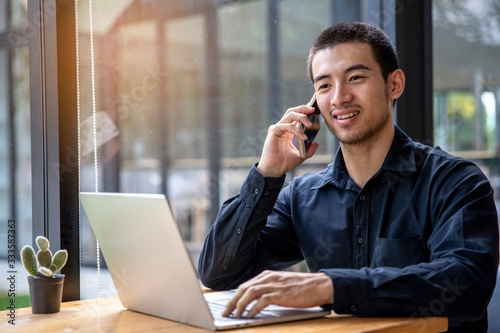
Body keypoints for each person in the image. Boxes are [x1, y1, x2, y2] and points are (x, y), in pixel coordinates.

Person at [198, 22, 499, 332]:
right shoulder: (302, 197)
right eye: (324, 85)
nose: (339, 98)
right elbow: (218, 274)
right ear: (313, 104)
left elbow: (467, 282)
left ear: (394, 84)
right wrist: (267, 173)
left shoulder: (455, 181)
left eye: (355, 78)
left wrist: (329, 287)